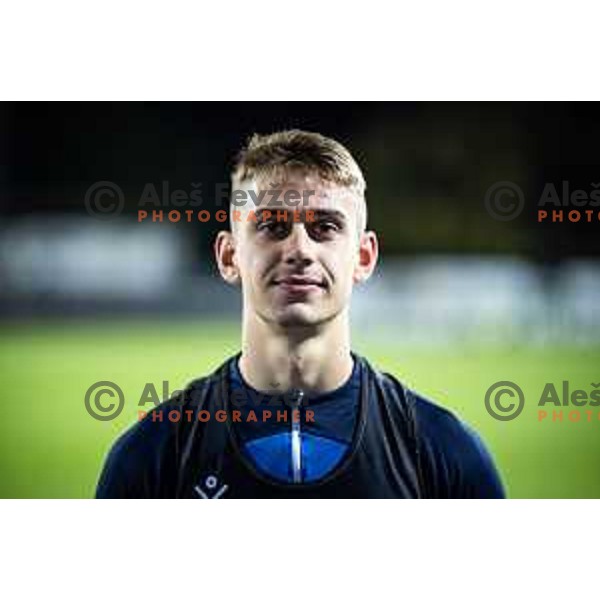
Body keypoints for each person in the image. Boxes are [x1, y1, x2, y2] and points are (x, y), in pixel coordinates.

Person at [96, 129, 505, 498]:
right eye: (273, 226)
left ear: (363, 257)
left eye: (324, 227)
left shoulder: (443, 452)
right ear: (229, 256)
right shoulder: (153, 455)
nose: (300, 250)